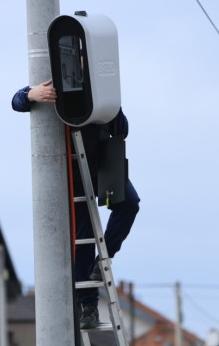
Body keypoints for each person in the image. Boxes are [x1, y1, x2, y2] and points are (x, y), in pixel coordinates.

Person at [12, 80, 140, 329]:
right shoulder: (54, 78)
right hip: (73, 170)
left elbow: (122, 129)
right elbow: (16, 101)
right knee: (84, 236)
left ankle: (104, 261)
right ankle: (89, 307)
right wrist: (32, 94)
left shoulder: (102, 84)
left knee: (130, 203)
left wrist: (114, 106)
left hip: (103, 162)